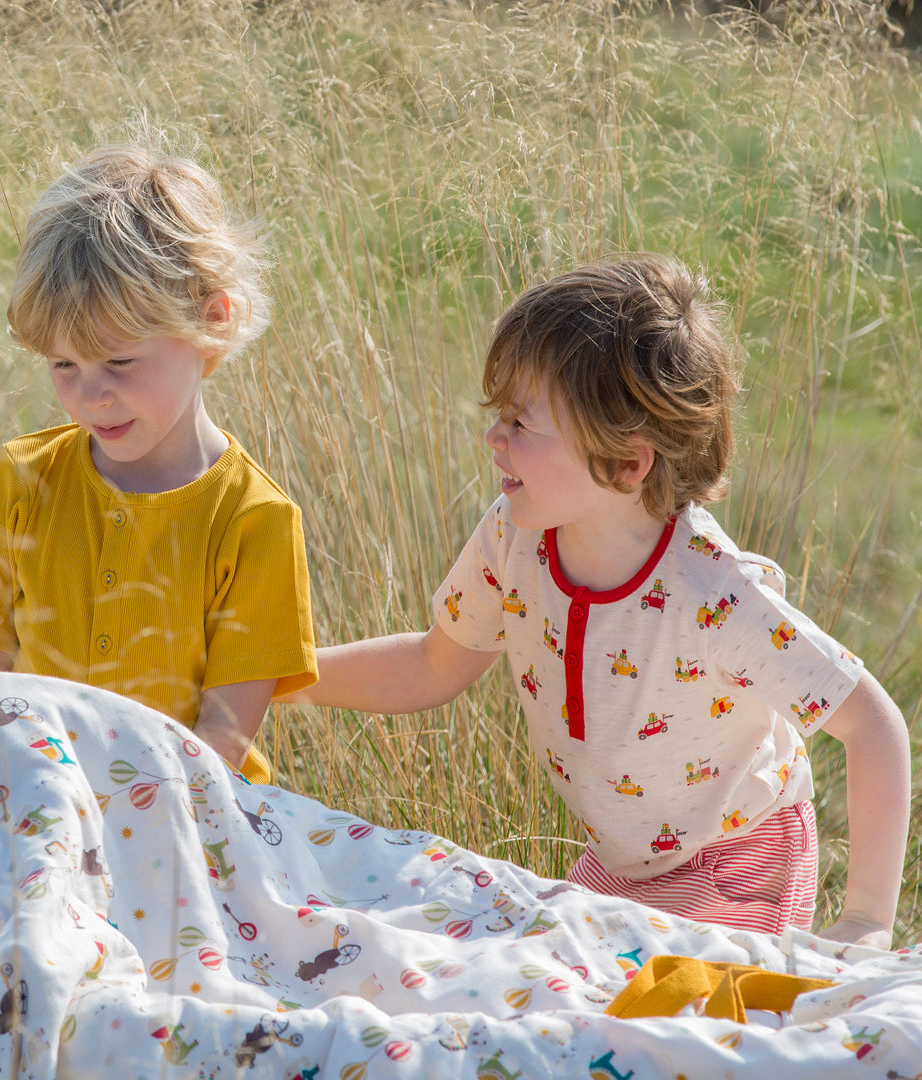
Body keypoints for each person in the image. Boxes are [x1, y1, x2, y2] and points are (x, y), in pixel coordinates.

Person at [280, 255, 910, 946]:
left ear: (627, 461)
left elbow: (873, 726)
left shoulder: (715, 595)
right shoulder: (511, 539)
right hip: (620, 867)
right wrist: (279, 671)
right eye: (499, 415)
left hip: (738, 860)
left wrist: (867, 921)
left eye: (521, 422)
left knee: (666, 1034)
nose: (494, 437)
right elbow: (433, 666)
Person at [0, 144, 317, 783]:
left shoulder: (256, 521)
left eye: (120, 362)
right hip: (26, 803)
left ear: (211, 322)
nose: (91, 394)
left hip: (187, 825)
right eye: (63, 365)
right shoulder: (23, 479)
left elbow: (223, 739)